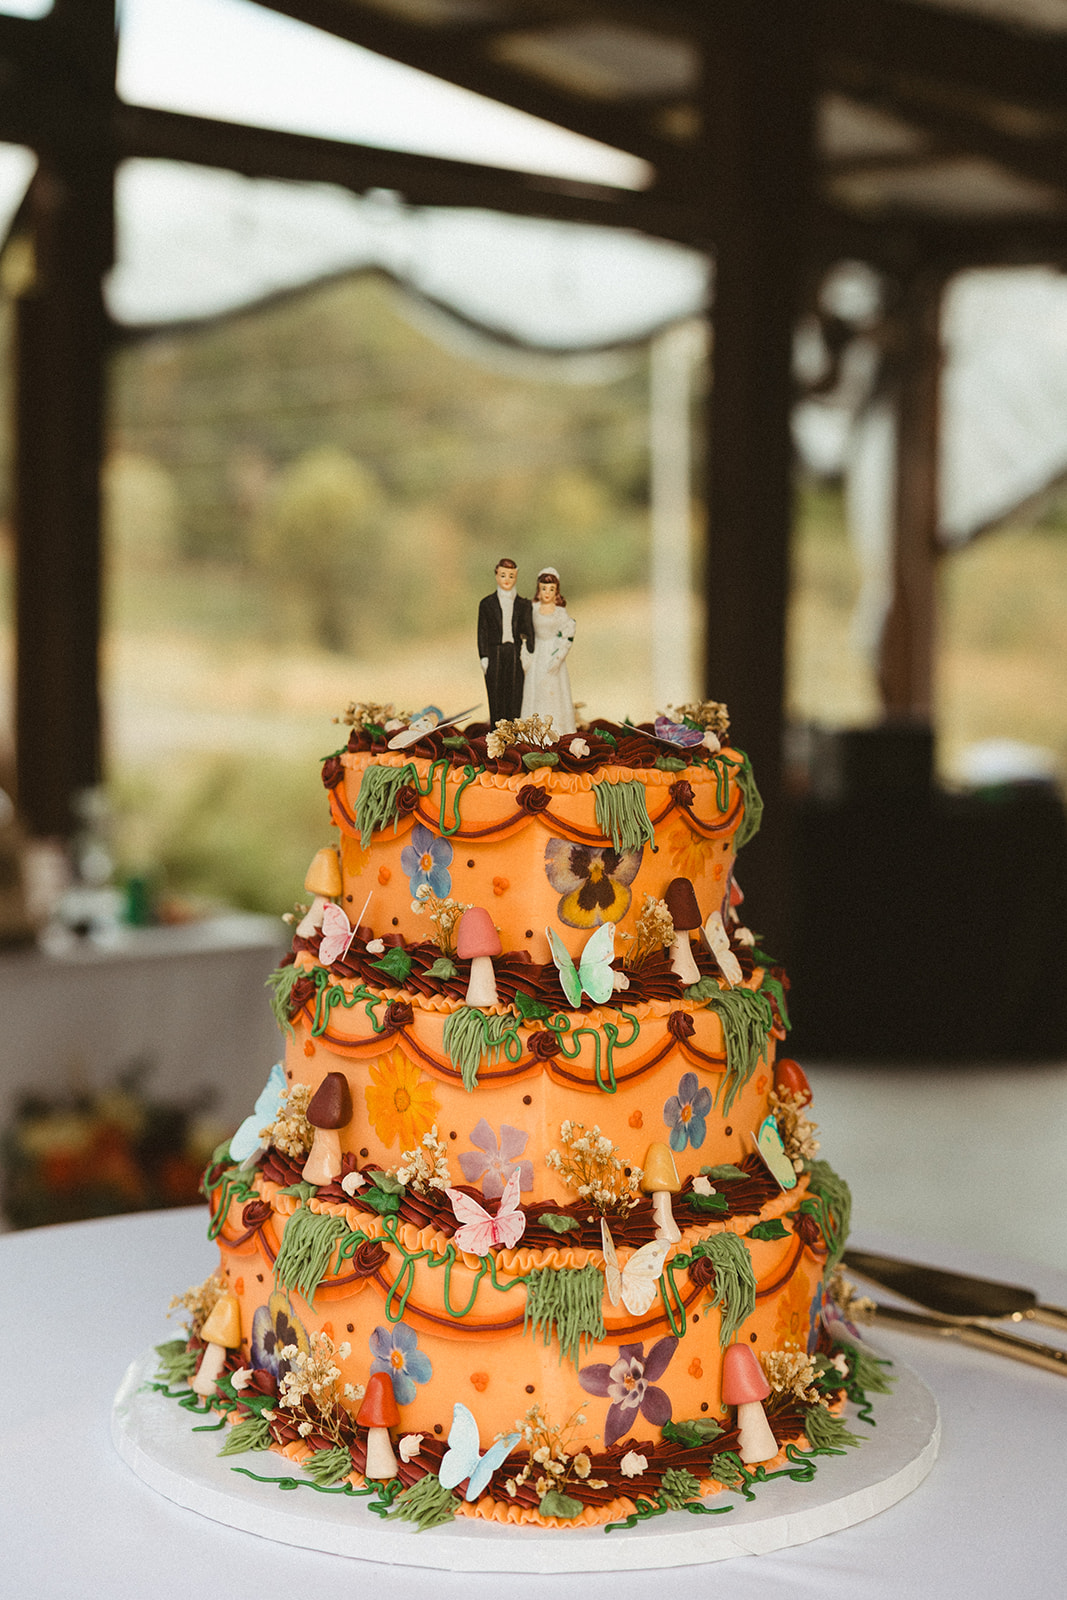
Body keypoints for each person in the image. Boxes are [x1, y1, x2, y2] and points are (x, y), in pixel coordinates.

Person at [477, 558, 534, 725]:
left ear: (516, 577)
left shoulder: (524, 604)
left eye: (511, 576)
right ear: (496, 576)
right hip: (495, 652)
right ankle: (498, 734)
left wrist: (529, 652)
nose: (507, 580)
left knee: (515, 694)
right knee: (496, 695)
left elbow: (529, 631)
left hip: (515, 652)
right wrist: (484, 657)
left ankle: (514, 735)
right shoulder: (486, 604)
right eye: (503, 575)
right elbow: (482, 632)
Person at [520, 567, 576, 735]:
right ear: (538, 589)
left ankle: (556, 730)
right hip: (537, 653)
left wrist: (558, 657)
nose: (547, 593)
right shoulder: (533, 609)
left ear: (556, 591)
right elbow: (524, 631)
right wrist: (525, 653)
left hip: (551, 653)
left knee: (553, 691)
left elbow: (568, 632)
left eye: (551, 589)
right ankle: (533, 732)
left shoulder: (560, 612)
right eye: (544, 588)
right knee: (535, 691)